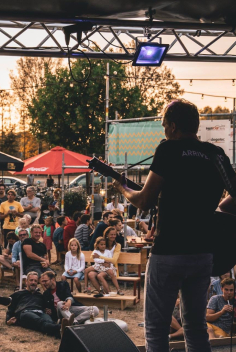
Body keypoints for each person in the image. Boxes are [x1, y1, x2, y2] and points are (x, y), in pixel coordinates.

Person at [114, 99, 236, 352]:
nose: (164, 130)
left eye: (163, 125)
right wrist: (219, 210)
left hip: (169, 252)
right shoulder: (216, 154)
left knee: (156, 328)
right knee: (195, 325)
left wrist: (124, 189)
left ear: (172, 126)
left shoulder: (168, 150)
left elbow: (145, 201)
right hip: (204, 254)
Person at [6, 272, 72, 338]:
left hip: (40, 313)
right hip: (26, 312)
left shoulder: (40, 295)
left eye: (35, 281)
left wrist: (47, 310)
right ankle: (63, 328)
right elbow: (10, 307)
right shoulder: (18, 294)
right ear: (26, 281)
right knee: (40, 322)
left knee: (49, 321)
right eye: (31, 280)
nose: (33, 282)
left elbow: (46, 306)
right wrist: (8, 320)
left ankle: (61, 333)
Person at [85, 227, 122, 296]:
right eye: (111, 234)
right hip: (100, 266)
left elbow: (113, 260)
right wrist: (103, 261)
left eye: (114, 234)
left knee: (100, 276)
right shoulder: (103, 243)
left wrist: (100, 257)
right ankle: (101, 292)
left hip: (109, 267)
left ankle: (109, 292)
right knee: (90, 274)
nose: (113, 236)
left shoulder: (117, 245)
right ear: (107, 235)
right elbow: (92, 256)